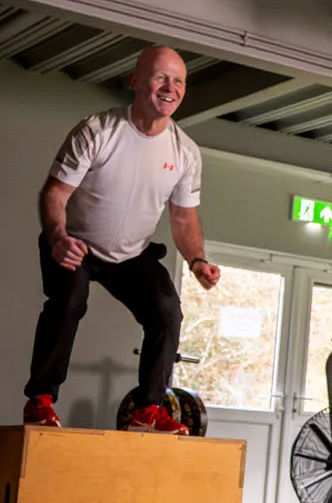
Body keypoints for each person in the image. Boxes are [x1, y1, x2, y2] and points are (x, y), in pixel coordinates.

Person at [23, 44, 221, 433]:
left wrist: (197, 260)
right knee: (69, 301)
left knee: (166, 310)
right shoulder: (97, 131)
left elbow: (183, 218)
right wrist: (58, 236)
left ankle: (149, 409)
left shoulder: (185, 152)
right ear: (135, 81)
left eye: (179, 81)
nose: (170, 88)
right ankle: (41, 399)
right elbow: (55, 194)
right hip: (74, 243)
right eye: (161, 77)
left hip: (132, 254)